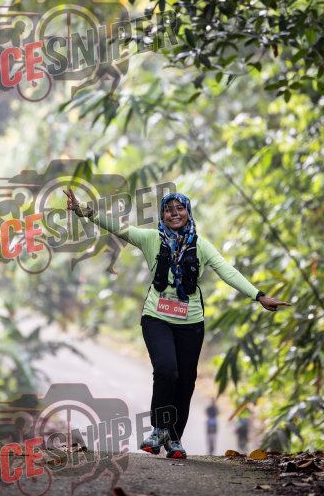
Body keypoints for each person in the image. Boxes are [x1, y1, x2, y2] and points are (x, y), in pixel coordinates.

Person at [64, 188, 290, 460]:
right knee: (166, 370)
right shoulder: (150, 239)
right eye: (168, 210)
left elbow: (227, 271)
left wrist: (259, 296)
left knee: (186, 381)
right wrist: (84, 211)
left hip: (190, 323)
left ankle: (174, 438)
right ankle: (159, 428)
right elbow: (119, 228)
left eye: (179, 208)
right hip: (156, 317)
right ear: (162, 215)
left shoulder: (201, 246)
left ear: (187, 212)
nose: (174, 214)